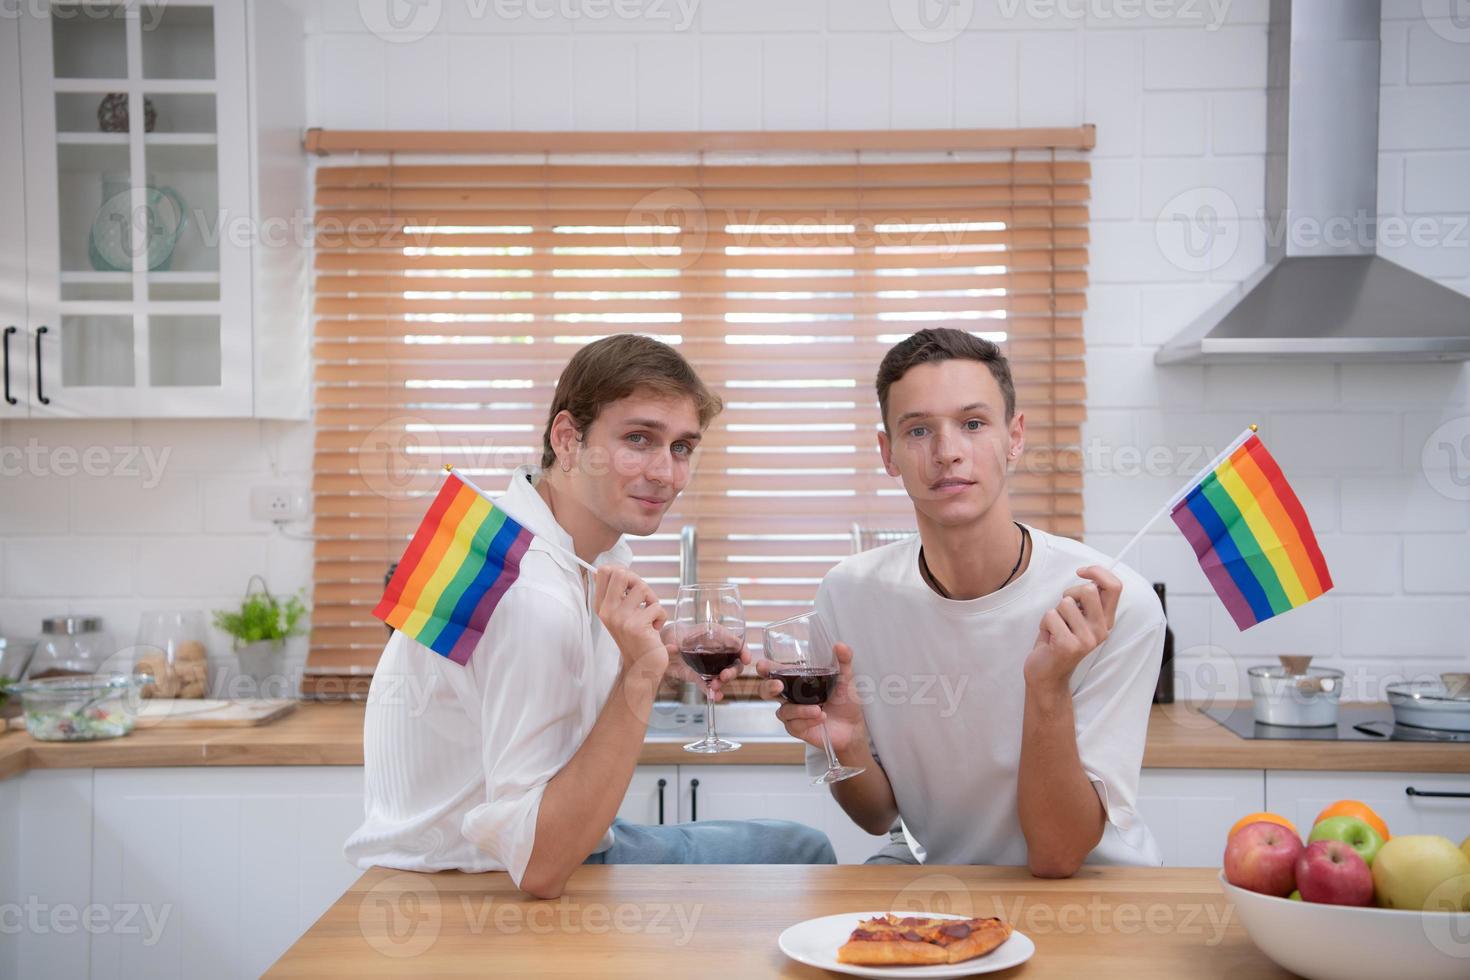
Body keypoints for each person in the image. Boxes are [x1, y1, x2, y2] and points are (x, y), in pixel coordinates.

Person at [346, 335, 834, 899]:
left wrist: (658, 651)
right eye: (638, 439)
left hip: (467, 849)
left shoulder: (526, 541)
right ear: (567, 439)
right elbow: (541, 869)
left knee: (792, 849)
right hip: (479, 876)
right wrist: (641, 673)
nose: (667, 474)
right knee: (805, 854)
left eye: (681, 448)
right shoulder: (530, 595)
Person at [759, 327, 1165, 876]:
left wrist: (1047, 686)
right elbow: (877, 818)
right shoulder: (848, 594)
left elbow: (1057, 855)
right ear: (889, 453)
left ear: (1014, 437)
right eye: (919, 430)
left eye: (973, 424)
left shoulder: (1113, 605)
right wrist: (849, 746)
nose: (948, 453)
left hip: (1092, 889)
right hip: (944, 881)